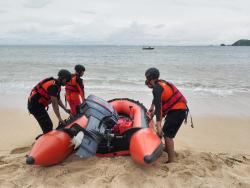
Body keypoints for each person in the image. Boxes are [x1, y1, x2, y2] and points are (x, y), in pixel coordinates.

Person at [145, 67, 188, 163]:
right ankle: (168, 150)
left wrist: (158, 124)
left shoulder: (157, 88)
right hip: (179, 109)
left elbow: (159, 107)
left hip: (177, 111)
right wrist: (152, 107)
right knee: (166, 132)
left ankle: (172, 160)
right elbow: (157, 99)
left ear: (149, 79)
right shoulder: (160, 84)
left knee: (168, 136)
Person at [28, 69, 72, 134]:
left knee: (47, 125)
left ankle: (45, 137)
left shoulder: (57, 85)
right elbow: (54, 104)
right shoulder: (53, 87)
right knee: (48, 126)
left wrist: (65, 109)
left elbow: (58, 99)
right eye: (67, 80)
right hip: (35, 106)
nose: (67, 82)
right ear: (62, 79)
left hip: (39, 105)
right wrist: (59, 118)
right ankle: (44, 141)